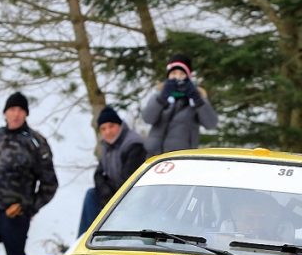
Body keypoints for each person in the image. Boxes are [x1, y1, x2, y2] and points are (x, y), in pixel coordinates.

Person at [0, 91, 58, 255]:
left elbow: (50, 184)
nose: (16, 114)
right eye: (12, 109)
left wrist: (28, 208)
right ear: (5, 113)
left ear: (26, 113)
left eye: (20, 110)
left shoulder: (35, 142)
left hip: (15, 217)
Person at [77, 105, 147, 235]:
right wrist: (104, 191)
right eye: (103, 129)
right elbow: (98, 174)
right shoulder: (106, 146)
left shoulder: (133, 144)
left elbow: (129, 180)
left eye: (111, 126)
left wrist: (110, 196)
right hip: (113, 193)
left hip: (135, 196)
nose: (107, 131)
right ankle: (83, 238)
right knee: (91, 195)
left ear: (119, 125)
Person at [142, 53, 218, 156]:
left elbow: (211, 124)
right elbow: (148, 118)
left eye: (182, 73)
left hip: (180, 159)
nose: (177, 77)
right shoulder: (159, 95)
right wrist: (161, 99)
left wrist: (197, 100)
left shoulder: (196, 99)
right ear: (168, 75)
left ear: (188, 77)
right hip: (154, 158)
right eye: (173, 73)